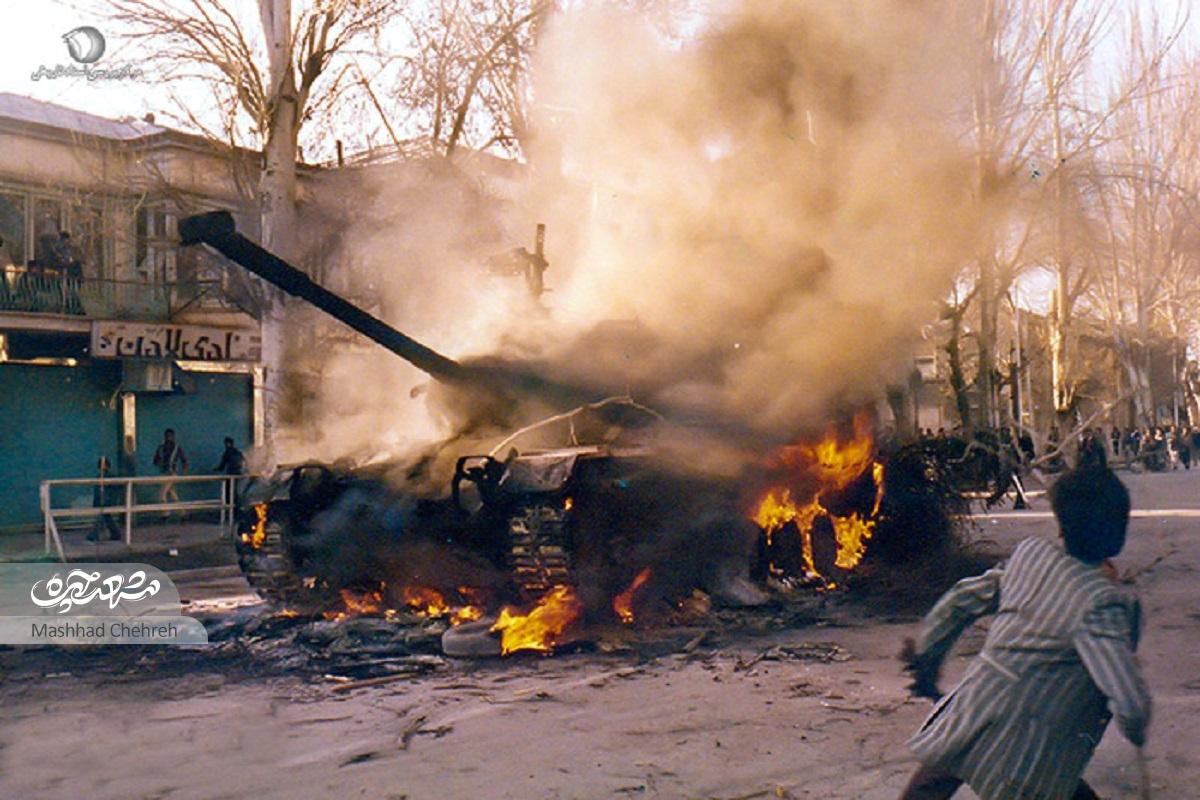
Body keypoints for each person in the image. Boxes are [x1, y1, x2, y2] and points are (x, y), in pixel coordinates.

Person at [898, 467, 1150, 800]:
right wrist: (1136, 730)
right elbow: (1130, 703)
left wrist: (927, 657)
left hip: (974, 711)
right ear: (1119, 531)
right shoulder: (1101, 603)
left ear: (1061, 526)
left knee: (933, 779)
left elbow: (961, 601)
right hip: (1027, 750)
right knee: (1040, 781)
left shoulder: (1030, 555)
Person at [85, 456, 121, 542]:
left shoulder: (109, 477)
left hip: (105, 501)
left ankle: (93, 535)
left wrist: (109, 500)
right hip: (103, 501)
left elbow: (112, 490)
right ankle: (115, 533)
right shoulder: (101, 477)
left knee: (101, 518)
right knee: (106, 517)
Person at [153, 428, 188, 511]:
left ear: (173, 437)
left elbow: (184, 460)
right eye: (167, 436)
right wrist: (160, 462)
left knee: (162, 493)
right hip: (164, 473)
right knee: (172, 493)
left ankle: (165, 514)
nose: (168, 438)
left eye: (170, 436)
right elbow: (155, 460)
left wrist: (184, 469)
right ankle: (182, 513)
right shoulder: (161, 447)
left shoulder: (176, 447)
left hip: (172, 473)